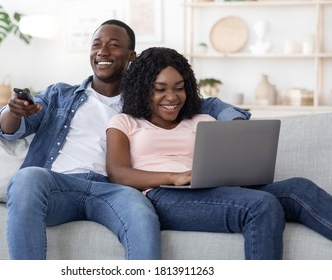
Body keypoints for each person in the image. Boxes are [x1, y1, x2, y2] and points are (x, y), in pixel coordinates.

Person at [0, 20, 250, 260]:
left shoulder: (147, 99)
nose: (102, 51)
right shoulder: (60, 95)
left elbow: (207, 104)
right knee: (27, 177)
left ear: (131, 56)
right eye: (96, 44)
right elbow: (10, 130)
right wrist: (13, 110)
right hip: (60, 186)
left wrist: (235, 123)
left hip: (114, 189)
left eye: (113, 45)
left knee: (141, 213)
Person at [106, 47, 332, 259]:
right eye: (160, 89)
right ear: (142, 89)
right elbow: (118, 173)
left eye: (179, 87)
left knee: (297, 188)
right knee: (261, 204)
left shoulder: (202, 120)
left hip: (212, 190)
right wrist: (174, 177)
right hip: (163, 196)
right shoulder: (125, 123)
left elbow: (227, 157)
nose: (172, 97)